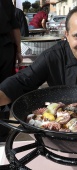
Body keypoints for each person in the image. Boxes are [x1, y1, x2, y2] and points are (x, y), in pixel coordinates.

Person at [0, 0, 23, 141]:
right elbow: (15, 28)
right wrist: (19, 51)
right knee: (4, 88)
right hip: (5, 47)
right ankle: (2, 132)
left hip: (5, 46)